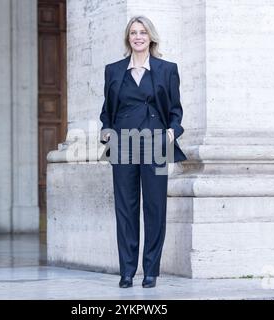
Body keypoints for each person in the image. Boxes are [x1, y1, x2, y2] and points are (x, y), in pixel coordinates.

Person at [99, 15, 187, 288]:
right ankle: (127, 271)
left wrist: (171, 132)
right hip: (123, 143)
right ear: (128, 38)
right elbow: (107, 111)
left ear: (151, 38)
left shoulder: (167, 69)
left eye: (143, 33)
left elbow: (175, 110)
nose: (138, 37)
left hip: (155, 145)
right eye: (133, 33)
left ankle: (151, 270)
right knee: (125, 209)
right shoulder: (113, 71)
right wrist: (106, 130)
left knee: (155, 207)